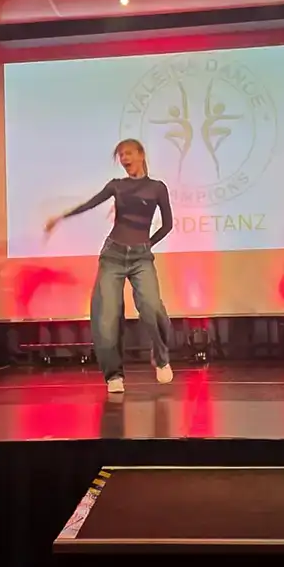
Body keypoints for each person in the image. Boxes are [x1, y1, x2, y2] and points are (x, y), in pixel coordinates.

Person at [44, 139, 174, 393]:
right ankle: (113, 374)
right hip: (113, 255)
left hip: (141, 258)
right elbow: (90, 204)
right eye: (121, 155)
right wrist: (60, 218)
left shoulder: (157, 188)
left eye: (128, 153)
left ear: (141, 155)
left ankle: (161, 357)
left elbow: (168, 224)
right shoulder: (117, 185)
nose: (124, 158)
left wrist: (147, 244)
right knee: (106, 316)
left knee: (152, 307)